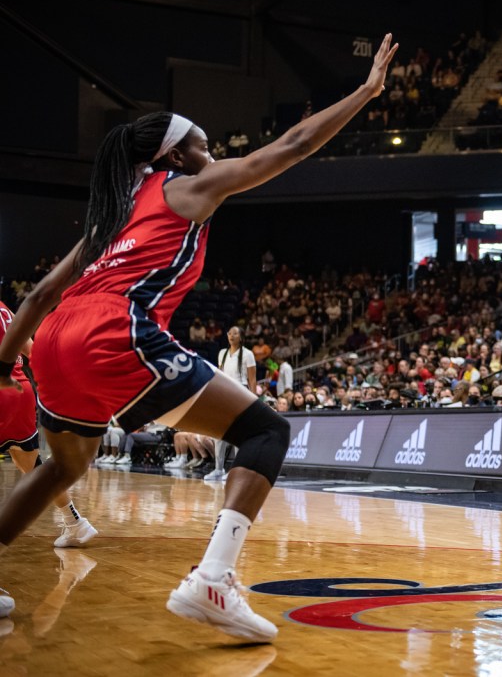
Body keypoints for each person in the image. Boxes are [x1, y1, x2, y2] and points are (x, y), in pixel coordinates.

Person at [0, 34, 399, 633]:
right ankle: (213, 580)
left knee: (61, 467)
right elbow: (291, 144)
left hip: (55, 338)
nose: (214, 157)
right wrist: (366, 91)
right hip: (114, 331)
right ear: (177, 158)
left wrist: (4, 362)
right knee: (265, 429)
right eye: (205, 148)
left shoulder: (110, 216)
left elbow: (36, 297)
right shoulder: (187, 189)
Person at [0, 300, 98, 552]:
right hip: (21, 391)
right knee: (33, 467)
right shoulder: (4, 309)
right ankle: (75, 522)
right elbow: (31, 350)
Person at [205, 326, 258, 482]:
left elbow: (252, 380)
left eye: (235, 333)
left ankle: (236, 470)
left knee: (237, 433)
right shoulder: (222, 353)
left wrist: (253, 401)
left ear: (241, 337)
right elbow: (220, 376)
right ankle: (218, 469)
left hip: (241, 392)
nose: (231, 335)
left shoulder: (248, 354)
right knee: (218, 433)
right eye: (229, 333)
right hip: (224, 393)